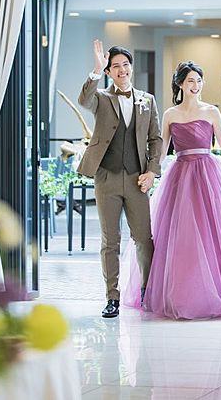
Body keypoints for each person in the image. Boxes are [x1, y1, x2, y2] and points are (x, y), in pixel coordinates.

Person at [140, 61, 221, 319]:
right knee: (182, 236)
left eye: (199, 80)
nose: (196, 85)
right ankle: (182, 295)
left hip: (208, 174)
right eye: (190, 80)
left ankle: (218, 291)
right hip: (180, 175)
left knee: (212, 234)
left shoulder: (211, 111)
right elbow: (161, 151)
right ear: (180, 84)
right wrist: (149, 171)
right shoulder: (170, 114)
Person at [77, 40, 162, 319]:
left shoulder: (147, 100)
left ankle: (147, 291)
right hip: (107, 178)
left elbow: (155, 138)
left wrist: (152, 171)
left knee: (144, 238)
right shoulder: (101, 98)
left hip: (138, 178)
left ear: (131, 68)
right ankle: (112, 297)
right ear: (109, 72)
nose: (122, 70)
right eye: (115, 67)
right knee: (110, 240)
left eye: (125, 65)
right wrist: (95, 69)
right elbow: (84, 100)